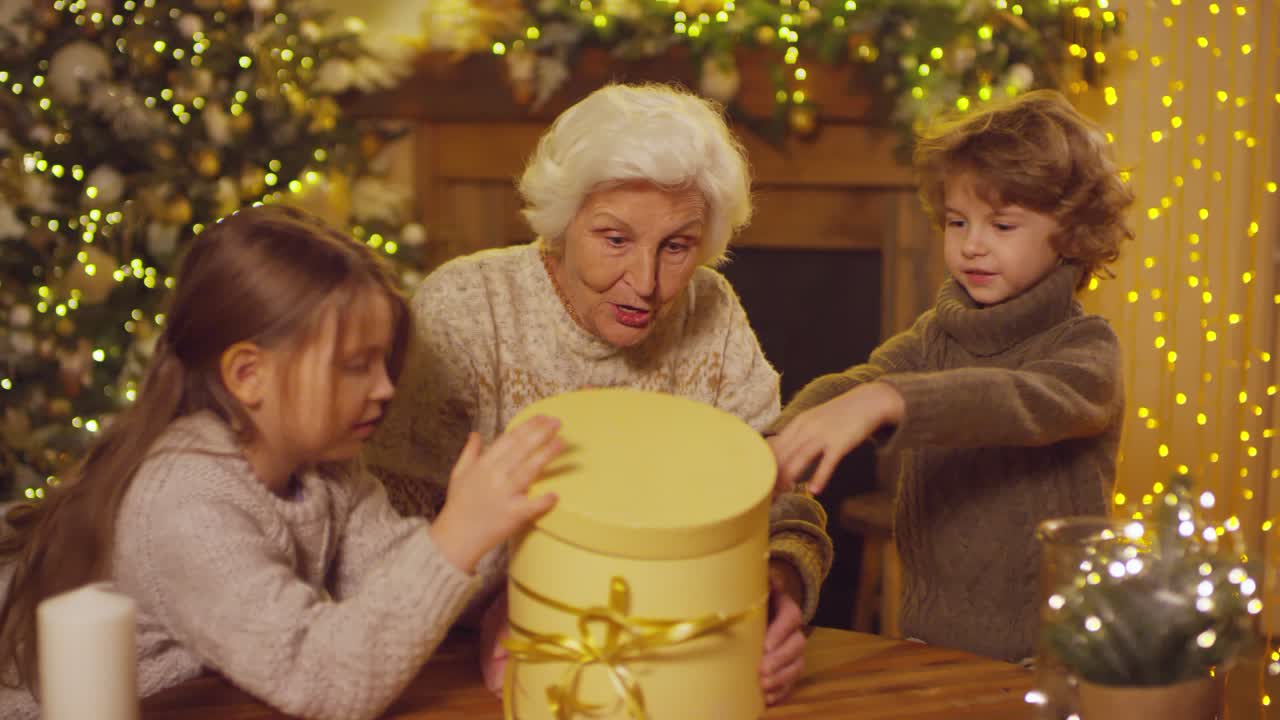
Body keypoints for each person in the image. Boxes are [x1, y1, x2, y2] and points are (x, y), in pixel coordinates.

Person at [365, 82, 832, 704]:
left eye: (677, 246)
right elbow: (385, 530)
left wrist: (777, 590)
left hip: (676, 665)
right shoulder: (468, 307)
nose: (644, 283)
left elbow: (779, 497)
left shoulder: (712, 311)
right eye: (614, 239)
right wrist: (498, 607)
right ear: (563, 221)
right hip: (469, 671)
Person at [0, 206, 563, 719]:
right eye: (355, 366)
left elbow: (398, 579)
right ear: (249, 375)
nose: (386, 388)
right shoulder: (185, 501)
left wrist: (495, 529)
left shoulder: (327, 468)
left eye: (384, 363)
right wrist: (460, 533)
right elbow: (325, 680)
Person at [768, 89, 1134, 663]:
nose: (972, 245)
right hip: (927, 639)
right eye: (958, 221)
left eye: (1002, 225)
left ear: (1072, 233)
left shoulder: (1085, 349)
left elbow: (1017, 401)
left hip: (1051, 655)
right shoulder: (935, 334)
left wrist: (888, 400)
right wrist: (783, 437)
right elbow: (859, 382)